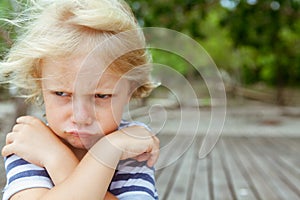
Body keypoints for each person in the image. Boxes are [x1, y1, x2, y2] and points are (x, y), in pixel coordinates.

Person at [0, 0, 160, 199]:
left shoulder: (131, 146)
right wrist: (104, 153)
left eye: (101, 96)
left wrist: (58, 159)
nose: (81, 116)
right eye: (62, 94)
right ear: (40, 85)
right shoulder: (29, 143)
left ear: (130, 91)